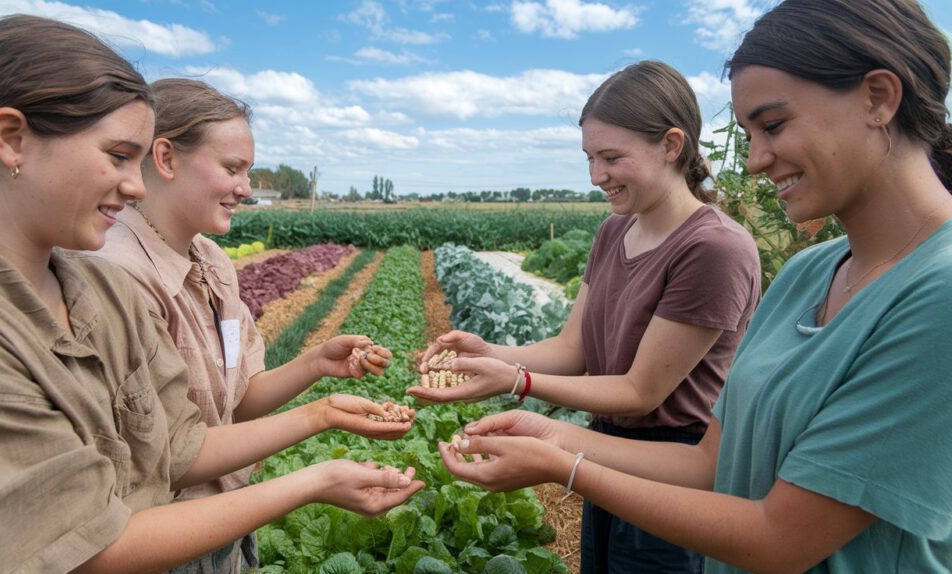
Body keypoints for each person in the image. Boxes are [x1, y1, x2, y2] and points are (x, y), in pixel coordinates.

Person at [437, 0, 952, 571]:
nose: (754, 161)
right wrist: (548, 437)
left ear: (878, 99)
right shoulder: (812, 272)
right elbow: (713, 465)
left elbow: (780, 539)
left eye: (774, 125)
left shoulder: (937, 294)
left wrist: (561, 458)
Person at [0, 15, 423, 574]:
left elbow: (179, 447)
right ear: (10, 138)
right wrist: (314, 480)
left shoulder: (100, 291)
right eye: (117, 156)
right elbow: (86, 548)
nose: (135, 184)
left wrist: (324, 410)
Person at [412, 60, 761, 573]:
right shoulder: (614, 233)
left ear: (671, 145)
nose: (597, 176)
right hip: (602, 450)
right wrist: (490, 354)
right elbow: (572, 350)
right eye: (590, 157)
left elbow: (640, 391)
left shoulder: (713, 248)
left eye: (611, 157)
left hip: (671, 470)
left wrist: (516, 381)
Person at [84, 77, 406, 573]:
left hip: (225, 518)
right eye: (232, 169)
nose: (245, 189)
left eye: (248, 172)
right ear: (166, 159)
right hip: (159, 537)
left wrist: (317, 363)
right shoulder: (119, 275)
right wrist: (321, 416)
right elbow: (176, 455)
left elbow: (238, 399)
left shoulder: (210, 258)